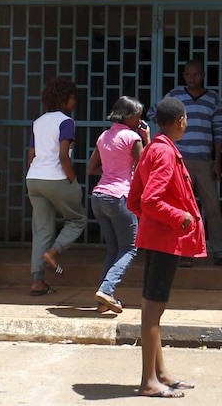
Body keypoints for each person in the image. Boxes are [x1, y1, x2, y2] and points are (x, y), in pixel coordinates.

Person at [128, 97, 206, 398]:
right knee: (152, 311)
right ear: (181, 121)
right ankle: (149, 382)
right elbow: (149, 200)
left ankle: (160, 374)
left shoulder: (152, 149)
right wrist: (180, 217)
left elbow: (135, 199)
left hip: (157, 238)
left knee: (153, 310)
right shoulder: (163, 153)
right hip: (164, 240)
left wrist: (152, 223)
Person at [149, 59, 222, 268]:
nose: (192, 78)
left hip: (205, 161)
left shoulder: (212, 98)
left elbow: (218, 132)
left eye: (196, 75)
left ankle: (221, 252)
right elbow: (154, 113)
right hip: (179, 160)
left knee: (212, 207)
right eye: (188, 75)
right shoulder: (175, 95)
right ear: (184, 75)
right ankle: (184, 252)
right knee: (181, 207)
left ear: (203, 75)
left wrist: (216, 161)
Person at [87, 96, 150, 313]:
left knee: (113, 249)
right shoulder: (133, 137)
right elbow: (145, 167)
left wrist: (110, 171)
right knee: (130, 248)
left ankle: (103, 299)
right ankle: (106, 289)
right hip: (120, 197)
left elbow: (91, 168)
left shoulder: (104, 136)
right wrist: (147, 138)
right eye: (138, 116)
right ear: (128, 116)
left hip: (99, 197)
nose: (140, 120)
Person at [26, 77, 87, 296]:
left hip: (34, 179)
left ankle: (38, 281)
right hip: (57, 178)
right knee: (77, 220)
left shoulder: (38, 121)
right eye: (72, 98)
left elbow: (31, 155)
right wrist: (72, 180)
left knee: (42, 229)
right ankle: (53, 253)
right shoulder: (66, 122)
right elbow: (63, 156)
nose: (74, 102)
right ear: (64, 99)